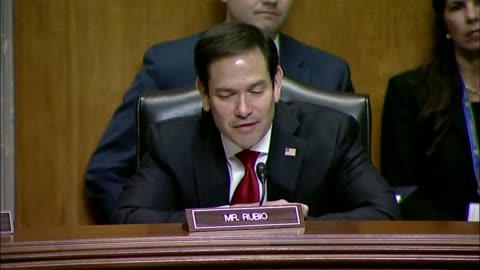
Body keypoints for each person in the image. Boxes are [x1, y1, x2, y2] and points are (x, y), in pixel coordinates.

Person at [86, 0, 354, 223]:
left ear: (276, 83)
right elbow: (111, 177)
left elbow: (368, 205)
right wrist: (215, 222)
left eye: (257, 90)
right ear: (204, 92)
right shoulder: (166, 69)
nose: (244, 109)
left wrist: (290, 222)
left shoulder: (330, 74)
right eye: (226, 94)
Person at [381, 0, 480, 220]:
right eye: (457, 6)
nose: (472, 16)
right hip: (447, 242)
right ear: (443, 22)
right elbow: (402, 193)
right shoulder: (410, 92)